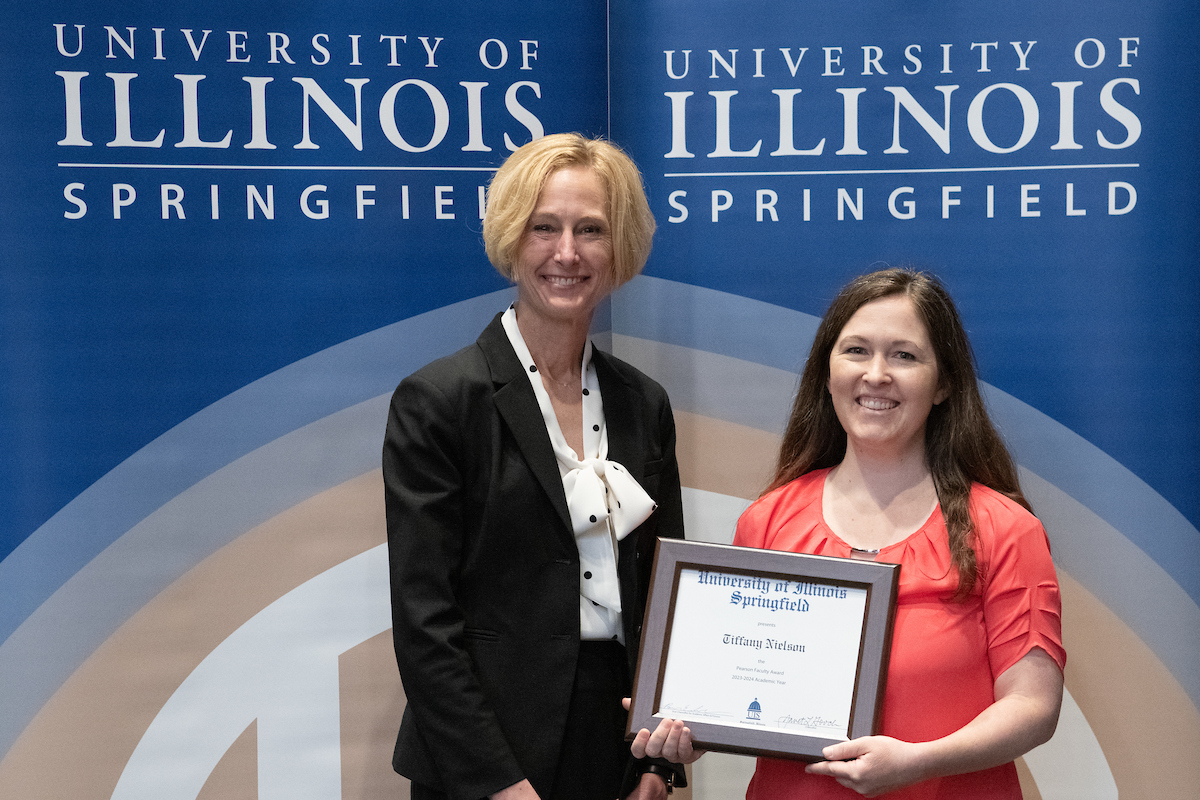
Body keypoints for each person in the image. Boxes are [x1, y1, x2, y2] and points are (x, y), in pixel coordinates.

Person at [634, 267, 1065, 799]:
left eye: (904, 355)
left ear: (944, 383)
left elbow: (1034, 707)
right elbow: (740, 687)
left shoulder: (1005, 528)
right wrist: (690, 725)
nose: (876, 374)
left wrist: (918, 762)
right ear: (827, 370)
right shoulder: (767, 520)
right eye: (856, 350)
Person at [383, 133, 686, 800]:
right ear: (512, 240)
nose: (567, 253)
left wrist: (661, 767)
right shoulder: (438, 402)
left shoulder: (644, 404)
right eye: (543, 227)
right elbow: (424, 622)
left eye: (591, 230)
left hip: (616, 750)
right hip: (482, 756)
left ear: (621, 246)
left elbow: (669, 595)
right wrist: (499, 783)